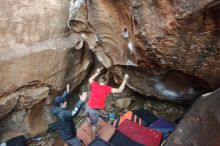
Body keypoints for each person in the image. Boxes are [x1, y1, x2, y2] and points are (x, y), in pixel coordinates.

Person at [85, 67, 129, 139]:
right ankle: (93, 137)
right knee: (94, 125)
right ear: (105, 82)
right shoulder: (106, 88)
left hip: (88, 106)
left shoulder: (95, 85)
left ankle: (90, 122)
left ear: (99, 81)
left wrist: (97, 73)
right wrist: (125, 80)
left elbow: (90, 79)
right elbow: (119, 90)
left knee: (88, 116)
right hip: (94, 110)